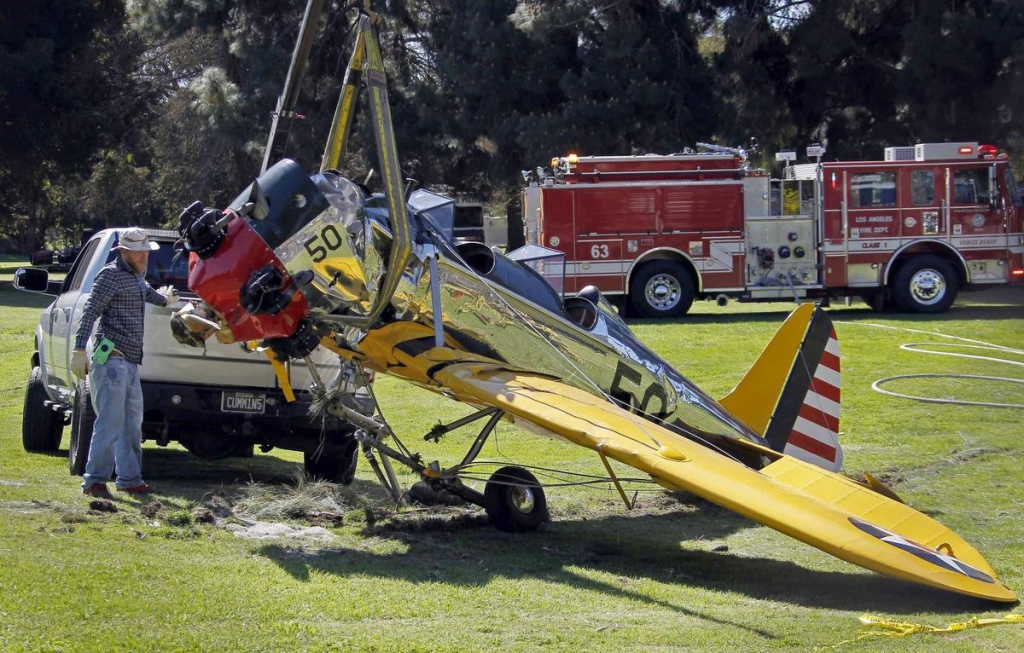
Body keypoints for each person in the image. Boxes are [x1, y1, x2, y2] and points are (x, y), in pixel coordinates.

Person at [71, 228, 178, 498]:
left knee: (132, 424)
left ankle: (129, 479)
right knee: (110, 422)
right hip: (111, 361)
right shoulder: (110, 275)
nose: (145, 255)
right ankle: (94, 480)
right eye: (140, 250)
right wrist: (78, 349)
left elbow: (147, 294)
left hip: (129, 363)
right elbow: (90, 312)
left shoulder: (135, 276)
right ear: (124, 252)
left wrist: (166, 299)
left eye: (146, 250)